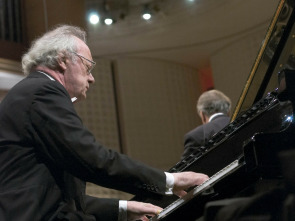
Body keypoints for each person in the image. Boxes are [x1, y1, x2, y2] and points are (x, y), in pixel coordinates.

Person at [0, 24, 209, 221]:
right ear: (63, 60)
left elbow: (57, 194)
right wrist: (170, 181)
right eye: (87, 66)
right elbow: (91, 158)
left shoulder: (31, 93)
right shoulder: (43, 91)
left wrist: (123, 208)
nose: (91, 79)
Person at [181, 89, 231, 160]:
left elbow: (186, 170)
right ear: (228, 111)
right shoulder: (243, 121)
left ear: (202, 115)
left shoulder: (195, 136)